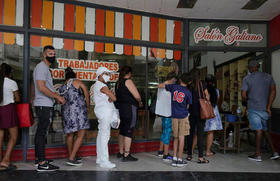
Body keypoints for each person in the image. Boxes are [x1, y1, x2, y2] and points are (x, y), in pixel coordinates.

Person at [33, 45, 66, 172]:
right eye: (49, 53)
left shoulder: (44, 68)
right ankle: (42, 163)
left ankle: (39, 159)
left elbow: (35, 86)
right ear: (43, 54)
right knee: (42, 133)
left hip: (43, 103)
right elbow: (41, 87)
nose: (52, 56)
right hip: (43, 104)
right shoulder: (42, 67)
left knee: (40, 132)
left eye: (53, 54)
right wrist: (57, 96)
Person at [241, 59, 279, 162]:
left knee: (258, 130)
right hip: (264, 109)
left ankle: (257, 154)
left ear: (250, 68)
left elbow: (243, 95)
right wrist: (268, 106)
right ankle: (274, 152)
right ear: (258, 67)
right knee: (265, 130)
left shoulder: (247, 78)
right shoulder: (268, 77)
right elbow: (273, 91)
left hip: (253, 108)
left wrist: (247, 99)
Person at [158, 73, 192, 167]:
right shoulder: (188, 92)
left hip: (174, 116)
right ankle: (180, 160)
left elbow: (160, 85)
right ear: (189, 82)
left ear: (180, 80)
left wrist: (168, 80)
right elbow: (188, 105)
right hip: (183, 116)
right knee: (182, 137)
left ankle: (175, 158)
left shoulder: (173, 87)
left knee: (175, 137)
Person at [59, 67, 90, 166]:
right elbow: (86, 94)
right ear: (74, 75)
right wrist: (88, 107)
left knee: (70, 134)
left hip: (66, 112)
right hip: (78, 111)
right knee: (81, 134)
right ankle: (72, 158)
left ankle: (71, 155)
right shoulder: (77, 82)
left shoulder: (62, 86)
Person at [115, 66, 143, 162]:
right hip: (129, 109)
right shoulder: (128, 81)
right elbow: (137, 96)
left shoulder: (118, 83)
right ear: (129, 73)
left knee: (122, 130)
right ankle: (126, 154)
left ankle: (121, 152)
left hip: (121, 109)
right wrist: (140, 102)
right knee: (129, 130)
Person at [93, 67, 117, 168]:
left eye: (109, 74)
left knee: (101, 135)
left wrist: (110, 95)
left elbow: (109, 100)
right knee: (105, 136)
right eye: (106, 74)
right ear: (100, 74)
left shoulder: (98, 85)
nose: (108, 76)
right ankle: (104, 161)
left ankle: (99, 158)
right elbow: (114, 98)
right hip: (105, 113)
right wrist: (112, 93)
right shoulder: (102, 85)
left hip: (102, 112)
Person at [186, 68, 210, 164]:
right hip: (201, 112)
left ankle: (189, 155)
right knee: (200, 135)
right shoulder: (202, 84)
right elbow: (207, 97)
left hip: (191, 112)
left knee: (190, 134)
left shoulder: (189, 85)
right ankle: (200, 157)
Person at [0, 63, 20, 170]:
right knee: (13, 137)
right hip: (8, 109)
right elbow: (17, 99)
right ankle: (5, 161)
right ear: (9, 73)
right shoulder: (12, 82)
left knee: (0, 136)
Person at [155, 72, 177, 162]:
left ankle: (161, 150)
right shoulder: (166, 85)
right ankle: (166, 154)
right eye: (175, 79)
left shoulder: (164, 85)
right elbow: (159, 85)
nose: (175, 81)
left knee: (164, 131)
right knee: (167, 132)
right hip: (167, 113)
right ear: (172, 79)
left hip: (163, 112)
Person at [204, 74, 222, 156]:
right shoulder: (216, 91)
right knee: (210, 133)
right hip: (212, 113)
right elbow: (217, 101)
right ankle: (208, 151)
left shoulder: (203, 90)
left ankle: (192, 151)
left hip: (203, 112)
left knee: (198, 132)